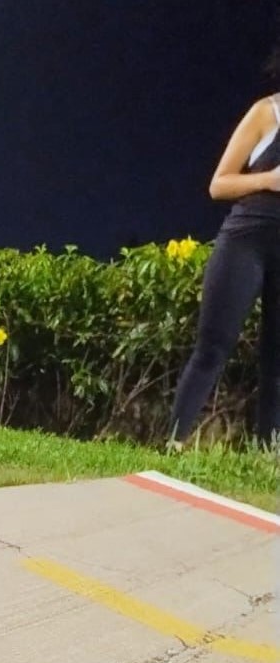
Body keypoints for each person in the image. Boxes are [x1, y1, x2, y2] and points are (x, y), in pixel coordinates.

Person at [169, 70, 280, 450]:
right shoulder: (267, 112)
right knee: (213, 345)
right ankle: (173, 443)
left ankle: (269, 459)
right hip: (246, 241)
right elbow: (219, 184)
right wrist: (267, 180)